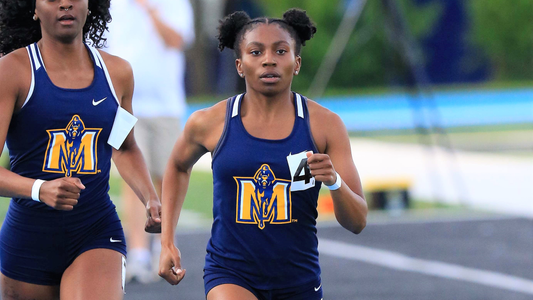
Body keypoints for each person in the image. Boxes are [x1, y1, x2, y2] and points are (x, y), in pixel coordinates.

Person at [158, 8, 368, 300]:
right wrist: (167, 241)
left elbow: (357, 222)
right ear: (240, 65)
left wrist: (333, 181)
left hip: (299, 278)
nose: (269, 59)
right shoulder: (208, 123)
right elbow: (178, 166)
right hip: (229, 272)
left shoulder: (325, 126)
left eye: (280, 51)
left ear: (296, 63)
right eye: (256, 52)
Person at [0, 0, 161, 299]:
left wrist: (150, 197)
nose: (65, 3)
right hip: (28, 242)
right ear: (33, 8)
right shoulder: (11, 71)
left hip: (96, 230)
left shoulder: (118, 73)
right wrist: (40, 189)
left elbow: (124, 148)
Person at [104, 0, 195, 283]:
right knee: (131, 180)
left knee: (167, 177)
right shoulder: (112, 4)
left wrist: (149, 8)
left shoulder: (175, 3)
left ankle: (164, 245)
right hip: (122, 105)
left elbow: (177, 40)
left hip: (166, 105)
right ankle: (138, 254)